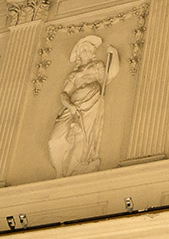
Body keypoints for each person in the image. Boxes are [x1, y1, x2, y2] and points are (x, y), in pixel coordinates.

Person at [48, 35, 118, 176]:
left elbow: (109, 76)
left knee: (82, 137)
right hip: (72, 107)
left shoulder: (97, 66)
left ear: (92, 52)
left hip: (91, 103)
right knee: (54, 140)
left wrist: (114, 54)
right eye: (83, 49)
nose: (86, 51)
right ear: (78, 54)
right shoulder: (75, 74)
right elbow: (64, 94)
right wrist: (71, 106)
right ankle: (60, 172)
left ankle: (75, 168)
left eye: (88, 49)